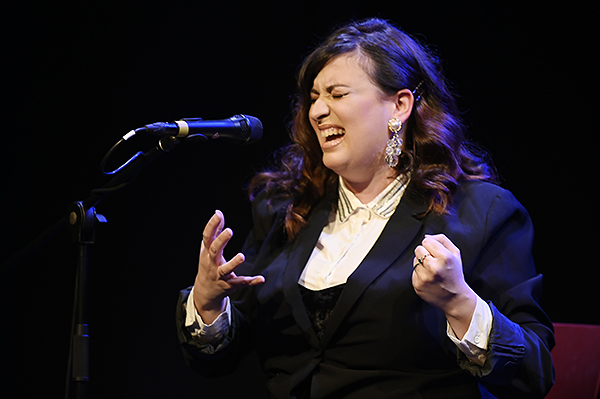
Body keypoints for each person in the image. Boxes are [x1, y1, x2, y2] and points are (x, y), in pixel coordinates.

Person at [176, 18, 554, 398]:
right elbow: (218, 361)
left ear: (400, 106)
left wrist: (460, 303)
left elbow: (534, 373)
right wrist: (208, 303)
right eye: (314, 97)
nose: (318, 111)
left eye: (336, 94)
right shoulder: (287, 211)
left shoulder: (481, 213)